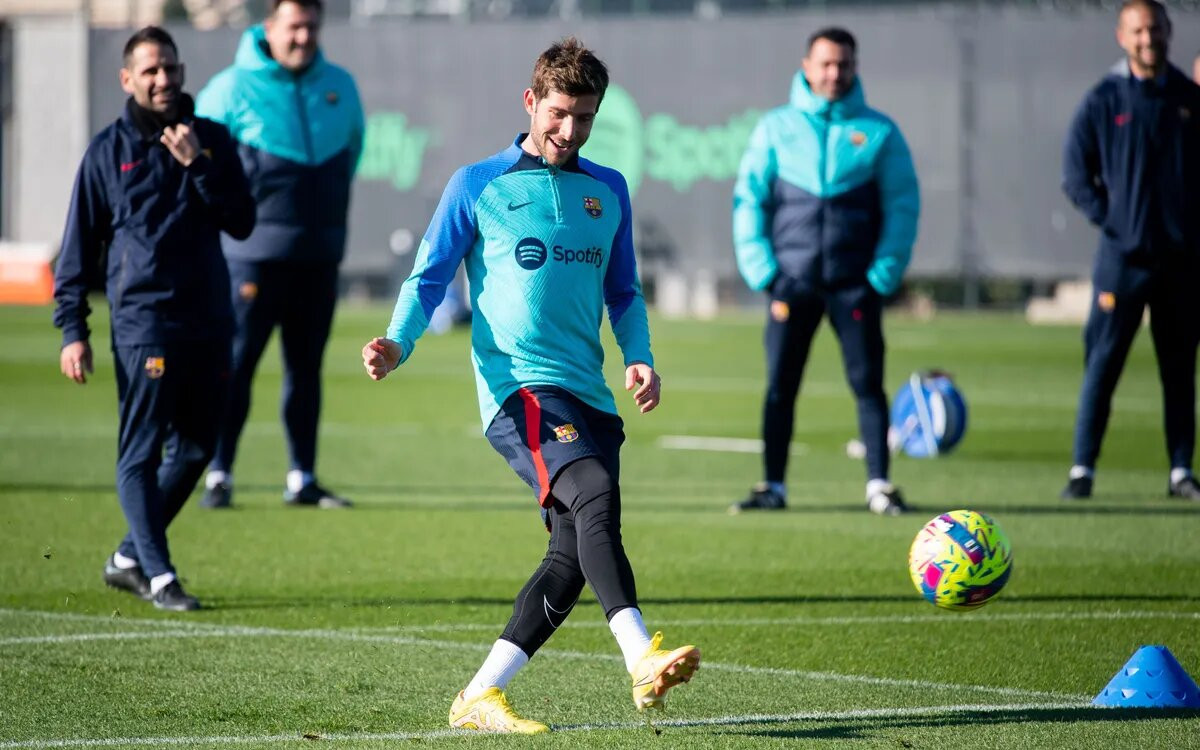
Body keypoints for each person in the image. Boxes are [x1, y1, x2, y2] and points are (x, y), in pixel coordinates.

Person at [361, 38, 700, 734]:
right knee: (595, 495)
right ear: (530, 102)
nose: (569, 130)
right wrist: (398, 341)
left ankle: (478, 697)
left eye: (584, 117)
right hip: (519, 392)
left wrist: (638, 355)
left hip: (592, 398)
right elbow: (428, 278)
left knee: (572, 558)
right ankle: (640, 656)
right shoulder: (478, 184)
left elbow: (625, 289)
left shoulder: (608, 190)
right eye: (558, 112)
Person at [52, 26, 255, 611]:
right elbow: (76, 250)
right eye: (150, 71)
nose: (163, 79)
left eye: (170, 67)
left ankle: (126, 557)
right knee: (140, 453)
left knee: (195, 450)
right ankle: (160, 575)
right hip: (145, 324)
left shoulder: (211, 139)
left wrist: (198, 165)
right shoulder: (106, 152)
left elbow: (241, 220)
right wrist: (73, 331)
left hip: (210, 321)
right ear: (128, 80)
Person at [730, 27, 920, 516]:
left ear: (855, 68)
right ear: (807, 66)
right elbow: (749, 198)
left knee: (868, 384)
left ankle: (879, 485)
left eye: (844, 65)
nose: (835, 73)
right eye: (826, 64)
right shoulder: (776, 127)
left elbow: (903, 204)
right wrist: (764, 274)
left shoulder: (879, 131)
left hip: (856, 285)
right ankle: (773, 486)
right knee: (780, 387)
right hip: (790, 283)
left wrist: (883, 273)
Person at [194, 0, 364, 509]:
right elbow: (196, 162)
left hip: (318, 253)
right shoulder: (230, 87)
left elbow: (352, 151)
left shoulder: (340, 84)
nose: (303, 37)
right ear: (270, 27)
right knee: (236, 365)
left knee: (306, 369)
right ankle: (218, 475)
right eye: (294, 27)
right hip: (251, 256)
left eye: (311, 26)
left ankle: (302, 479)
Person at [1059, 0, 1200, 501]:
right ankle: (1082, 470)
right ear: (1122, 36)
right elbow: (1075, 174)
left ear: (1169, 31)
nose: (1148, 39)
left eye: (1156, 29)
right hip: (1123, 263)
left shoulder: (1188, 96)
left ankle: (1181, 470)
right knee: (1102, 366)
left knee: (1180, 372)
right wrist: (1115, 222)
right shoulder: (1104, 99)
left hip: (1182, 265)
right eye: (1139, 30)